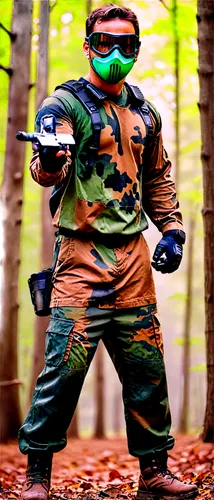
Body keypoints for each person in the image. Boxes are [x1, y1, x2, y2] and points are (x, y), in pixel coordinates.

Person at [19, 4, 198, 500]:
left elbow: (158, 176)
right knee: (64, 367)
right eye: (104, 43)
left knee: (147, 368)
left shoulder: (146, 111)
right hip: (79, 256)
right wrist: (53, 158)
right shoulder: (64, 105)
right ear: (87, 45)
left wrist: (173, 231)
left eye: (126, 44)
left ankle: (155, 473)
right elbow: (45, 166)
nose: (114, 53)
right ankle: (37, 476)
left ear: (137, 49)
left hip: (134, 257)